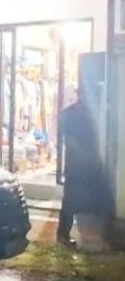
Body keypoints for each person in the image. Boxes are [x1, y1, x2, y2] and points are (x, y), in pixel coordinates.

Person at [56, 87, 108, 247]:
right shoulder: (70, 114)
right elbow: (67, 139)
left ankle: (69, 234)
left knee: (77, 200)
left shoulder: (86, 113)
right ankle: (63, 234)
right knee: (70, 201)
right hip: (76, 165)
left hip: (85, 164)